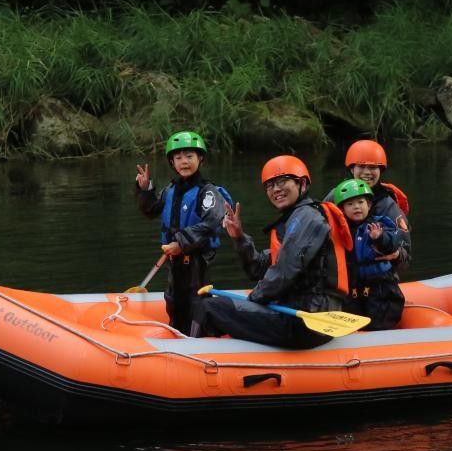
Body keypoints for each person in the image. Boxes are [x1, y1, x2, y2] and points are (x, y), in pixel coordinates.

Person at [190, 155, 353, 348]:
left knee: (209, 307)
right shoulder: (294, 221)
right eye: (269, 185)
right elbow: (258, 268)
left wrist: (253, 301)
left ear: (302, 184)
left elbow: (283, 272)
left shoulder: (307, 218)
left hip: (307, 321)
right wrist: (239, 238)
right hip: (300, 313)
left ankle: (192, 355)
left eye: (282, 181)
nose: (275, 189)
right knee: (215, 303)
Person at [135, 130, 231, 333]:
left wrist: (181, 243)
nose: (184, 162)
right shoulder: (170, 190)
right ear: (172, 163)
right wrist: (145, 190)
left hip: (197, 258)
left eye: (189, 156)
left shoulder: (208, 191)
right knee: (173, 299)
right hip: (174, 258)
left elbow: (213, 221)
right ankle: (176, 336)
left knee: (197, 301)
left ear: (200, 159)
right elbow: (151, 210)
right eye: (178, 158)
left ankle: (199, 340)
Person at [325, 139, 411, 270]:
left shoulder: (388, 206)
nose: (367, 172)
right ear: (352, 169)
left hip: (377, 279)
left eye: (372, 167)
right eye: (361, 166)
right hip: (344, 275)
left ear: (380, 170)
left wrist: (397, 255)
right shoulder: (334, 196)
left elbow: (406, 255)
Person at [333, 178, 406, 330]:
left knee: (380, 318)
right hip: (355, 286)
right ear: (342, 209)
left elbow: (392, 245)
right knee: (353, 314)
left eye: (360, 202)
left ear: (369, 204)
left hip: (380, 285)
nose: (356, 207)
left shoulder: (380, 224)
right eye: (350, 204)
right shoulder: (339, 231)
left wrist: (379, 238)